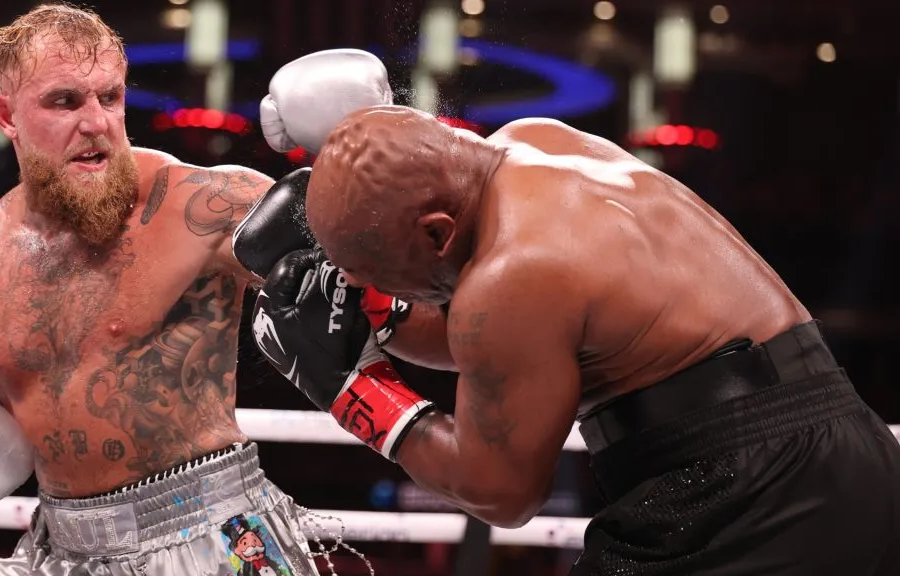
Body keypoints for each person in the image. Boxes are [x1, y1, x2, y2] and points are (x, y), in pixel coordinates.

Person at [248, 56, 900, 574]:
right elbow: (502, 342)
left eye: (391, 279)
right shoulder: (537, 143)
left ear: (438, 232)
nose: (395, 293)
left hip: (750, 491)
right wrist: (381, 313)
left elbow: (501, 491)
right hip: (844, 453)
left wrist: (353, 392)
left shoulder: (511, 276)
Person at [0, 6, 401, 575]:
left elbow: (389, 265)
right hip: (60, 547)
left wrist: (362, 143)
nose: (96, 121)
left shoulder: (201, 206)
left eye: (110, 97)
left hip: (211, 537)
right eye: (65, 101)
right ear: (7, 115)